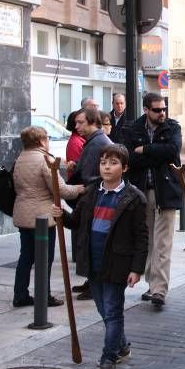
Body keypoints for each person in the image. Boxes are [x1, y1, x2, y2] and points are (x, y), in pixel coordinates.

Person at [54, 144, 149, 369]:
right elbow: (75, 222)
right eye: (104, 162)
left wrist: (136, 268)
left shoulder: (134, 198)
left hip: (117, 263)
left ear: (124, 168)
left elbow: (141, 236)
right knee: (103, 309)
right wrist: (61, 214)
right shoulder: (91, 193)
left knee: (113, 311)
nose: (107, 167)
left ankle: (108, 361)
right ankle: (122, 345)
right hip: (92, 261)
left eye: (113, 163)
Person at [11, 126, 84, 307]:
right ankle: (44, 295)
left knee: (26, 256)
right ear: (42, 141)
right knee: (45, 258)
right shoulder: (44, 159)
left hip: (23, 213)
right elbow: (61, 190)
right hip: (42, 216)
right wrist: (81, 188)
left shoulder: (21, 158)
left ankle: (20, 294)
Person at [124, 92, 183, 307]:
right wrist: (152, 155)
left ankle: (159, 289)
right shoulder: (133, 129)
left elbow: (173, 151)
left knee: (163, 243)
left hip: (166, 190)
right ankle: (151, 284)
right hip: (141, 191)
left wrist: (146, 149)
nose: (162, 113)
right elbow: (129, 158)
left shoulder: (172, 127)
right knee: (146, 240)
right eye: (157, 110)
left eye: (164, 108)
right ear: (146, 110)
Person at [70, 108, 112, 299]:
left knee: (93, 243)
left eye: (80, 122)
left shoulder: (99, 143)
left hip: (95, 198)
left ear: (93, 122)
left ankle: (95, 284)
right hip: (90, 197)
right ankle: (91, 281)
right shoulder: (94, 141)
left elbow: (94, 175)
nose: (76, 126)